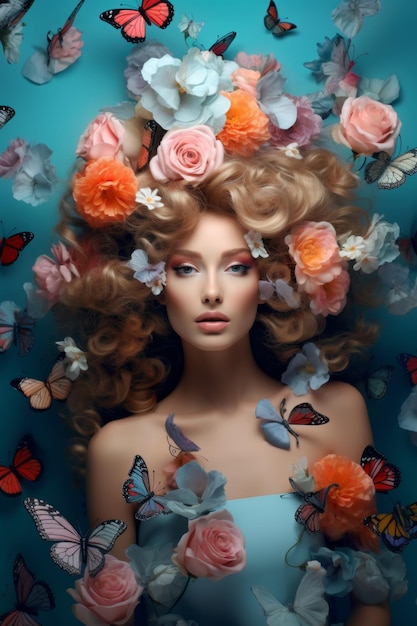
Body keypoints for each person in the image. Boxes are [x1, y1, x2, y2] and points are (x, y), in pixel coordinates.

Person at [52, 123, 398, 625]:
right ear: (152, 281)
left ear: (272, 277)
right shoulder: (121, 452)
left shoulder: (337, 415)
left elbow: (372, 601)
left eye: (236, 267)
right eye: (186, 268)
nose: (211, 291)